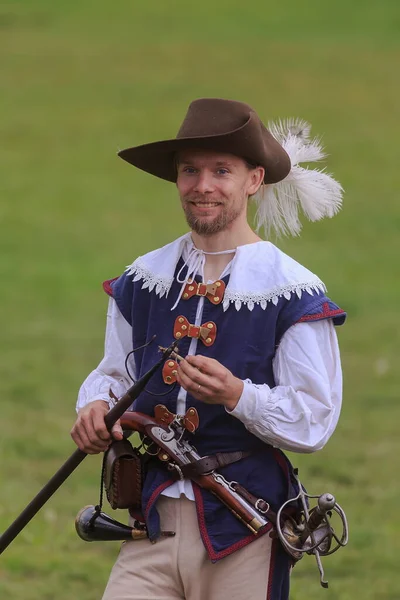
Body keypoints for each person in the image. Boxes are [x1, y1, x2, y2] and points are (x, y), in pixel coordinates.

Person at [71, 98, 346, 600]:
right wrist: (95, 408)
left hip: (245, 528)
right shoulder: (144, 279)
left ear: (254, 180)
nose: (203, 186)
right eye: (190, 171)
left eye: (222, 170)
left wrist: (238, 394)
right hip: (151, 522)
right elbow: (113, 374)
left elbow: (315, 418)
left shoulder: (290, 291)